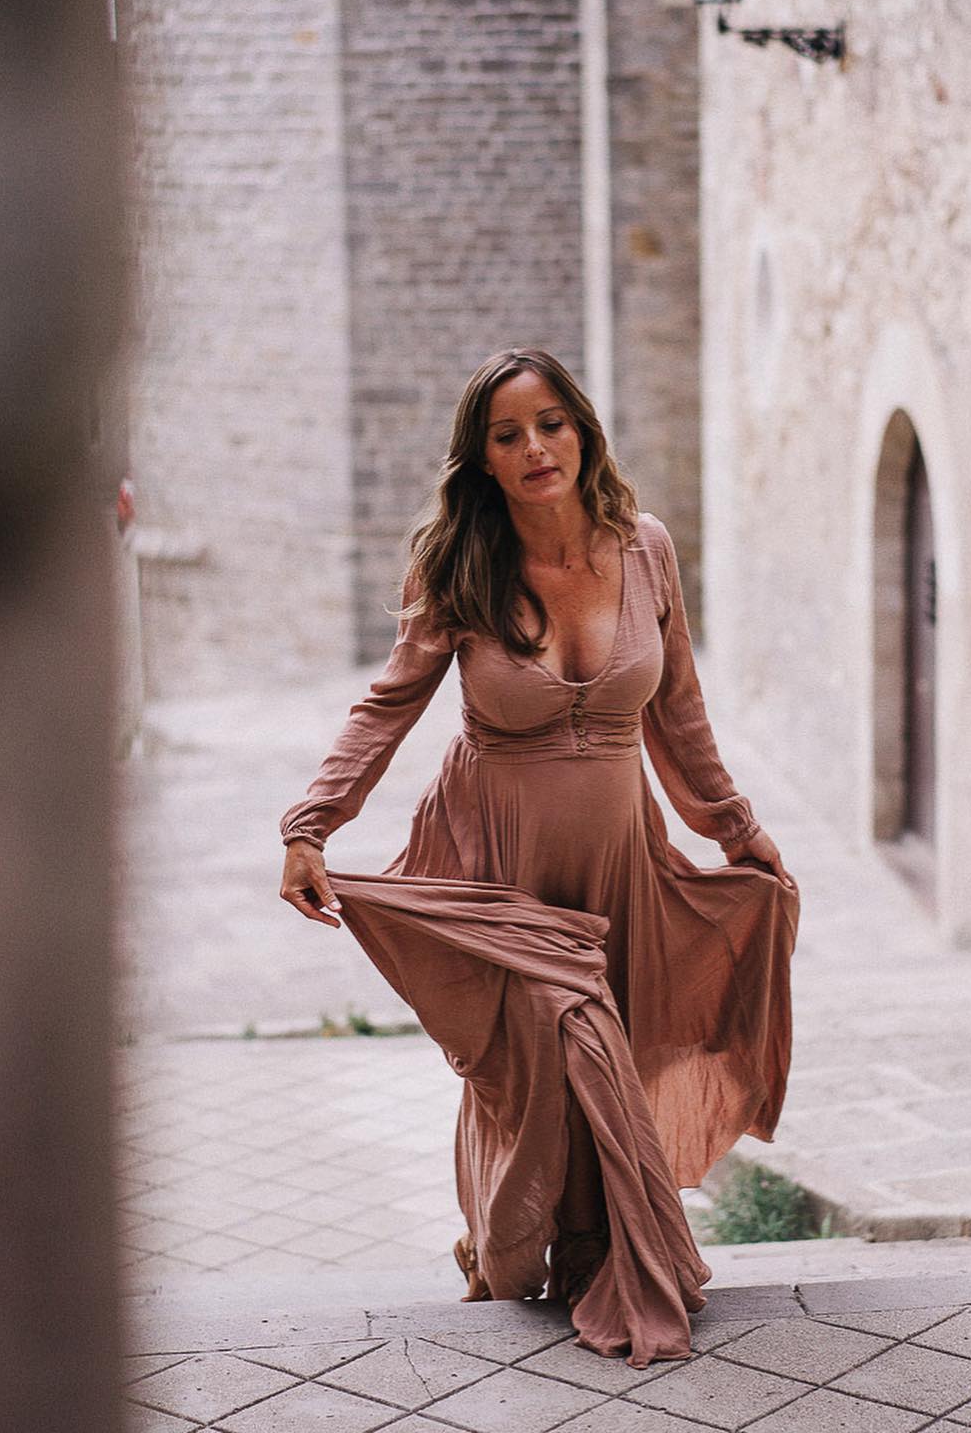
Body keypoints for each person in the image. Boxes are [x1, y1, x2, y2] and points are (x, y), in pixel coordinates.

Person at [279, 348, 799, 1367]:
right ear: (480, 457)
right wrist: (312, 823)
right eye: (507, 434)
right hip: (496, 866)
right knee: (543, 1070)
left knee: (610, 1059)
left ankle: (593, 1247)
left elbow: (680, 717)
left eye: (551, 424)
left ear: (583, 430)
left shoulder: (644, 550)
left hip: (622, 861)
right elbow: (389, 704)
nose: (534, 449)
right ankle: (519, 1251)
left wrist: (737, 832)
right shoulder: (459, 566)